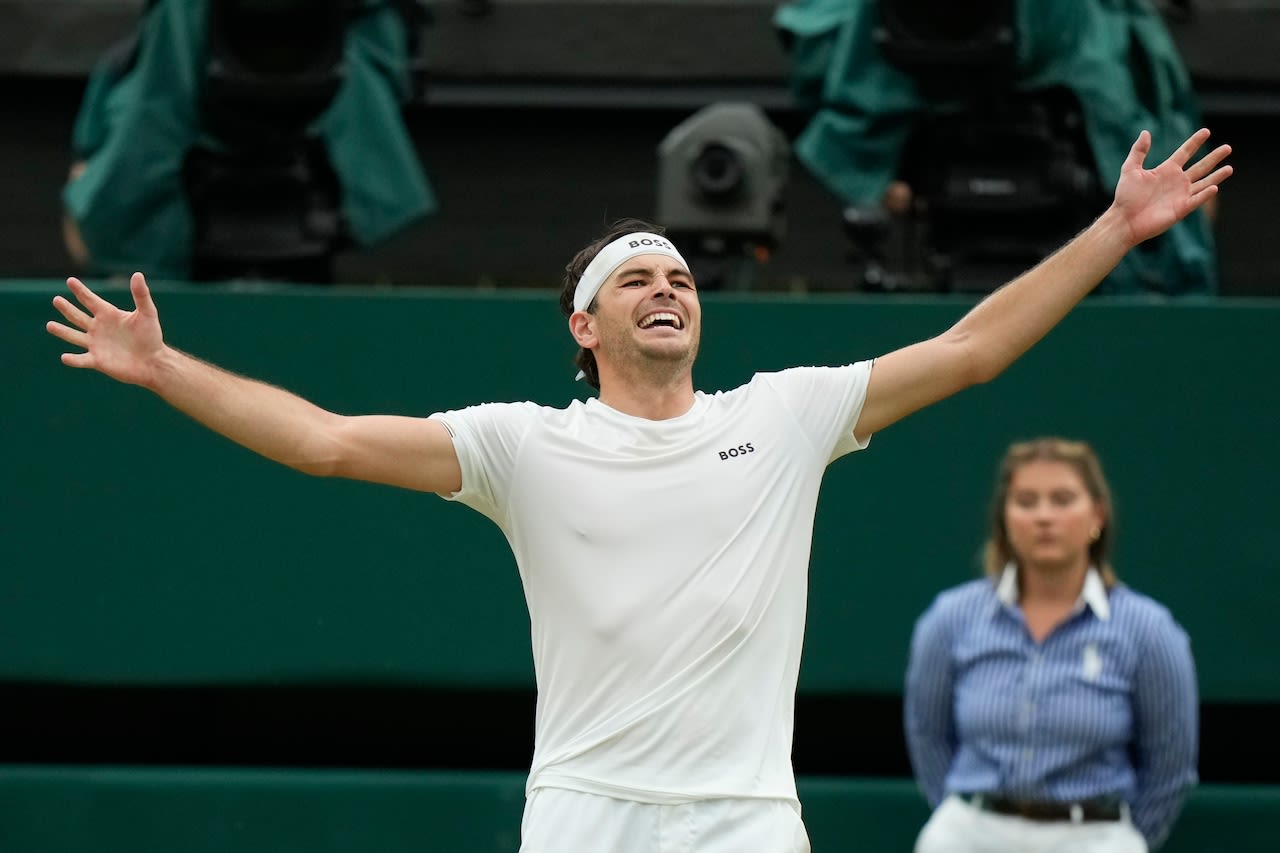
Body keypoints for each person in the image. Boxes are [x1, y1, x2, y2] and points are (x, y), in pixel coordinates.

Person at [44, 128, 1229, 852]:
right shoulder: (519, 445)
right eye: (635, 279)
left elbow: (971, 348)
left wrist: (1113, 233)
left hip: (747, 820)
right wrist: (162, 367)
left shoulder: (787, 412)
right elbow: (323, 441)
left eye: (678, 275)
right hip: (585, 813)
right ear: (585, 321)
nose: (667, 287)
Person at [904, 438, 1198, 853]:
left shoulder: (1147, 629)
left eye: (1062, 500)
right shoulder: (952, 618)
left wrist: (1124, 840)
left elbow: (1171, 765)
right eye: (1026, 501)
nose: (1044, 516)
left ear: (1097, 514)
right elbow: (927, 733)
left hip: (1092, 835)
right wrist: (961, 813)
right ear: (1004, 518)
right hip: (972, 833)